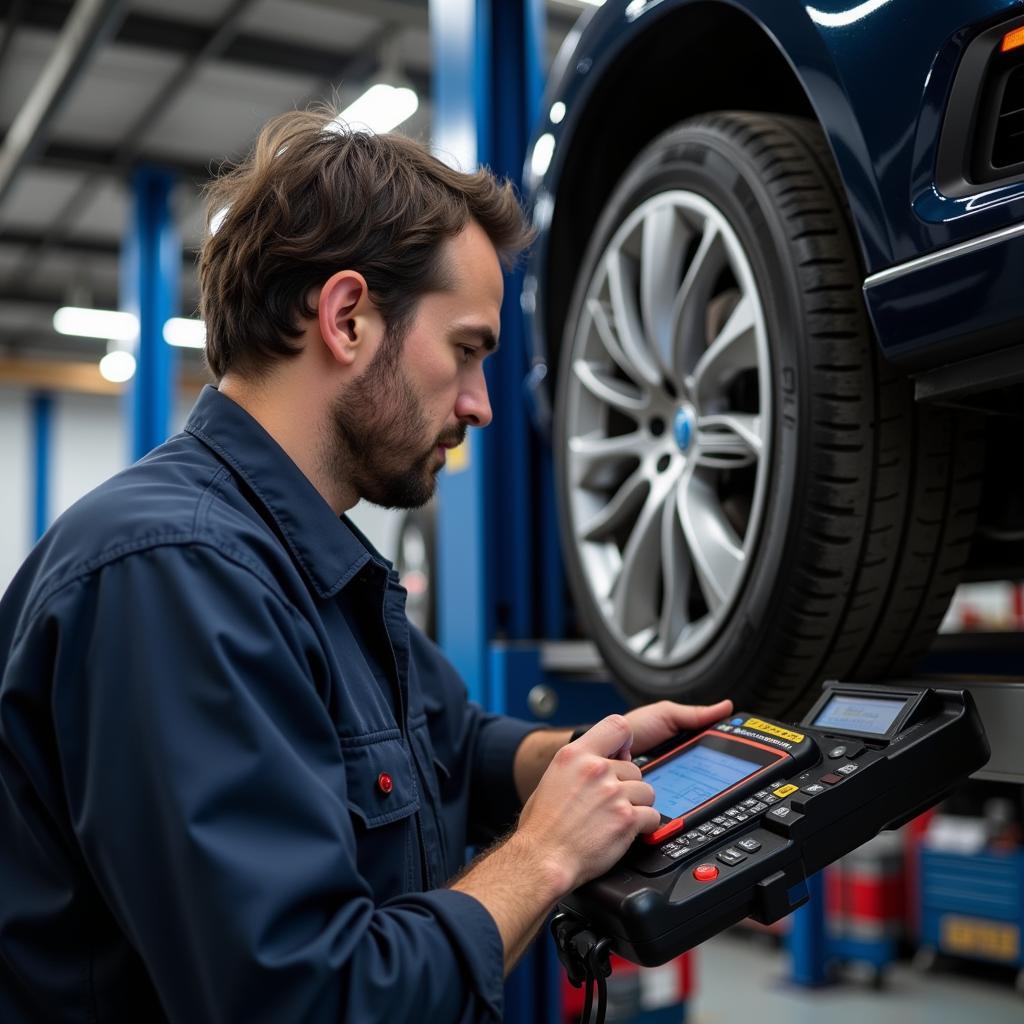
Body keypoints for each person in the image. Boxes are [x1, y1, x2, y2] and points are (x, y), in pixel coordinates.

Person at [0, 108, 732, 1022]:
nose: (480, 406)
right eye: (467, 351)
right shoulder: (176, 575)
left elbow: (448, 743)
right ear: (348, 318)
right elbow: (310, 999)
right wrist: (544, 855)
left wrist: (572, 761)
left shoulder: (307, 563)